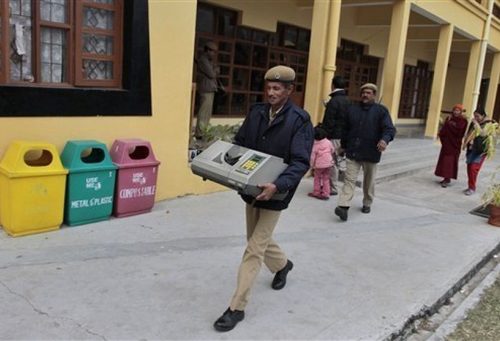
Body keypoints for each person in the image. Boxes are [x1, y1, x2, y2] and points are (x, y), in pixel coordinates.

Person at [213, 65, 314, 332]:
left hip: (276, 191)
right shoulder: (257, 112)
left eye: (277, 88)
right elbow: (241, 143)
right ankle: (282, 265)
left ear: (290, 90)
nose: (271, 92)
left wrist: (278, 184)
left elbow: (301, 161)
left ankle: (236, 308)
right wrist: (224, 165)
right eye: (268, 87)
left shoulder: (300, 120)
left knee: (254, 249)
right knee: (255, 239)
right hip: (251, 188)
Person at [334, 83, 396, 221]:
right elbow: (345, 129)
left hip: (371, 152)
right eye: (363, 92)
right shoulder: (352, 109)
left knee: (369, 181)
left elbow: (389, 129)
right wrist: (343, 146)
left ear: (374, 95)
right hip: (353, 151)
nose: (365, 95)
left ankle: (367, 202)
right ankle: (343, 206)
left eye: (368, 93)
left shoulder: (381, 111)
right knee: (349, 180)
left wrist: (384, 140)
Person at [321, 75, 351, 195]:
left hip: (334, 135)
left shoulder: (334, 101)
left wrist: (324, 135)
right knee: (337, 161)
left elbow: (329, 121)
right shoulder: (348, 100)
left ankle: (332, 188)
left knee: (332, 162)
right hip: (343, 135)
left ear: (333, 85)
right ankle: (333, 186)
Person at [434, 104, 468, 188]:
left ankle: (447, 179)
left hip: (454, 145)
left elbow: (459, 132)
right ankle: (445, 177)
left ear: (460, 111)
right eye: (455, 110)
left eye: (458, 110)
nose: (456, 112)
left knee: (449, 162)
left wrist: (450, 124)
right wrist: (441, 133)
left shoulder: (463, 120)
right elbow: (445, 128)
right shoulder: (449, 118)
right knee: (444, 161)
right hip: (447, 144)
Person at [463, 108, 494, 195]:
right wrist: (465, 143)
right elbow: (469, 133)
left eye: (477, 116)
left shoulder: (489, 124)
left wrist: (476, 124)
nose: (475, 118)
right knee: (469, 167)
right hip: (472, 148)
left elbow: (483, 134)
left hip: (481, 150)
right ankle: (470, 186)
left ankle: (472, 188)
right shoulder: (474, 123)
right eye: (474, 116)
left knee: (473, 168)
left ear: (483, 116)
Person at [195, 41, 220, 139]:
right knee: (203, 112)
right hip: (205, 89)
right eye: (213, 51)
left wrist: (215, 68)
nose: (214, 54)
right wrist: (215, 69)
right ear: (208, 51)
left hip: (210, 88)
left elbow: (216, 71)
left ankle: (203, 131)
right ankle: (199, 133)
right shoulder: (203, 60)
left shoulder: (209, 61)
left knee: (207, 113)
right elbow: (212, 74)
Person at [308, 125, 334, 200]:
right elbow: (332, 150)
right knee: (326, 178)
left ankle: (316, 192)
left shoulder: (315, 145)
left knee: (317, 178)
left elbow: (312, 157)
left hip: (319, 165)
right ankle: (326, 194)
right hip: (329, 163)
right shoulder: (328, 142)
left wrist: (312, 165)